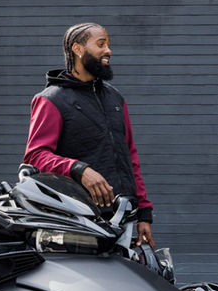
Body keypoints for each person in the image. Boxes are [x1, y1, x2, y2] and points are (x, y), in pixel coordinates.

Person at [23, 22, 154, 247]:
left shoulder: (115, 99)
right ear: (78, 49)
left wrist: (143, 213)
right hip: (78, 221)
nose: (108, 51)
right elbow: (36, 156)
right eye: (101, 44)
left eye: (108, 45)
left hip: (124, 218)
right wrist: (79, 169)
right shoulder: (51, 99)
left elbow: (130, 158)